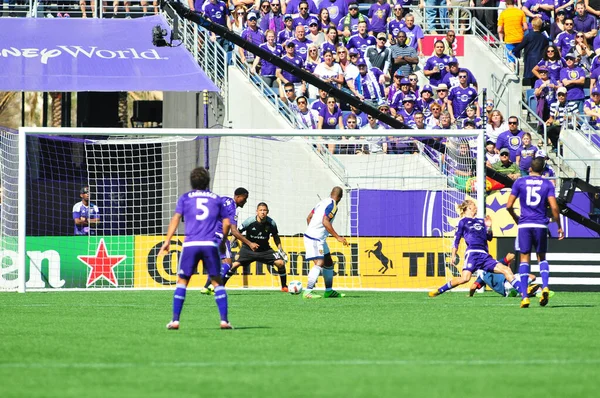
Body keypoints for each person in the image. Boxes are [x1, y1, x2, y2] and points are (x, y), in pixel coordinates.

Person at [161, 167, 232, 330]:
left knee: (182, 282)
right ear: (208, 182)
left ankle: (175, 321)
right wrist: (223, 241)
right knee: (217, 282)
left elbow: (176, 219)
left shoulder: (185, 198)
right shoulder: (216, 199)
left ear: (192, 182)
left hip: (191, 244)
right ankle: (224, 321)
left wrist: (167, 240)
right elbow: (227, 223)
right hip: (210, 244)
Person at [429, 199, 522, 297]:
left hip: (484, 255)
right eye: (474, 205)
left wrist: (489, 227)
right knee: (465, 278)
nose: (476, 207)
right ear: (469, 207)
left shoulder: (481, 221)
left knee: (505, 269)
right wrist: (453, 255)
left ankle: (523, 291)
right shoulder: (462, 222)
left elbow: (489, 238)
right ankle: (439, 290)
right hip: (472, 254)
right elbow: (456, 239)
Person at [506, 157, 564, 308]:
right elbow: (554, 208)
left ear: (530, 168)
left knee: (525, 259)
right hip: (540, 225)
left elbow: (508, 205)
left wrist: (515, 218)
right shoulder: (547, 184)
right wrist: (558, 225)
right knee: (542, 258)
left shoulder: (520, 182)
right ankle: (545, 286)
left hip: (524, 225)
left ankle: (525, 297)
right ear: (543, 169)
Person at [221, 202, 289, 291]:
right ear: (257, 211)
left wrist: (280, 250)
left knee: (280, 263)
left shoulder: (271, 223)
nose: (262, 212)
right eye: (260, 210)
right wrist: (230, 243)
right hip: (248, 249)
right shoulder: (249, 222)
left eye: (264, 210)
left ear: (267, 212)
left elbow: (276, 237)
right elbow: (237, 232)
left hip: (265, 250)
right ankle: (221, 286)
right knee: (234, 265)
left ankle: (284, 286)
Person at [200, 187, 250, 295]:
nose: (245, 201)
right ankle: (214, 287)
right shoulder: (233, 208)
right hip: (219, 236)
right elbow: (234, 231)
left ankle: (205, 287)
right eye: (244, 198)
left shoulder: (223, 200)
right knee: (228, 263)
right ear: (237, 197)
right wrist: (249, 243)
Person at [303, 186, 348, 299]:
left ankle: (328, 291)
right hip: (315, 238)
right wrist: (338, 237)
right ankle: (308, 291)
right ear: (340, 197)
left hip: (318, 238)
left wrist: (314, 231)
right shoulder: (333, 205)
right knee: (320, 262)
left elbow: (309, 217)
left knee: (328, 262)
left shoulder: (322, 202)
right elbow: (325, 221)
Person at [469, 253, 540, 298]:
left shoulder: (481, 276)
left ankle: (527, 292)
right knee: (532, 277)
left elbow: (473, 287)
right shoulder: (494, 265)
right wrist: (509, 259)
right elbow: (511, 256)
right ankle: (534, 291)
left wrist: (470, 295)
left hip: (506, 293)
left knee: (523, 288)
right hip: (508, 282)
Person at [511, 17, 549, 88]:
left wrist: (513, 50)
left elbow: (521, 45)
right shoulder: (544, 38)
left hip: (530, 59)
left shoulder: (528, 36)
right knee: (539, 77)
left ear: (532, 25)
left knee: (532, 79)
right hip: (540, 60)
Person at [497, 0, 528, 68]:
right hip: (520, 39)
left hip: (509, 40)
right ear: (514, 3)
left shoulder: (503, 13)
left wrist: (502, 37)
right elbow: (525, 27)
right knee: (517, 59)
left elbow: (499, 29)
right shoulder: (520, 12)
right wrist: (520, 31)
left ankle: (513, 75)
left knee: (511, 60)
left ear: (506, 4)